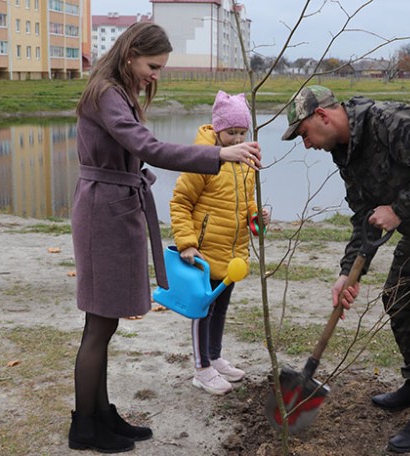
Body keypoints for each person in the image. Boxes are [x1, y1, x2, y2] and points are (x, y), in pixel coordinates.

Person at [69, 23, 261, 454]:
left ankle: (100, 411)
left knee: (105, 319)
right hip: (103, 212)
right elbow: (149, 147)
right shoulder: (105, 92)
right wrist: (219, 154)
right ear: (131, 52)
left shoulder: (116, 91)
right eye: (153, 66)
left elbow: (139, 149)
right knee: (99, 322)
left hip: (114, 207)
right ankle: (85, 426)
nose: (156, 75)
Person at [281, 86, 410, 453]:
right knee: (397, 299)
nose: (307, 145)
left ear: (323, 116)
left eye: (304, 135)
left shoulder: (391, 122)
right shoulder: (344, 154)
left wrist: (397, 209)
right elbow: (364, 218)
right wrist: (348, 273)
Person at [169, 90, 270, 395]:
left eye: (242, 132)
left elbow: (245, 204)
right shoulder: (202, 160)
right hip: (204, 252)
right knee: (204, 310)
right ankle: (201, 369)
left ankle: (214, 356)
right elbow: (180, 201)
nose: (237, 138)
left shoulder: (246, 163)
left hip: (232, 254)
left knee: (221, 307)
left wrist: (258, 218)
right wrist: (187, 243)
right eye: (231, 133)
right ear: (216, 129)